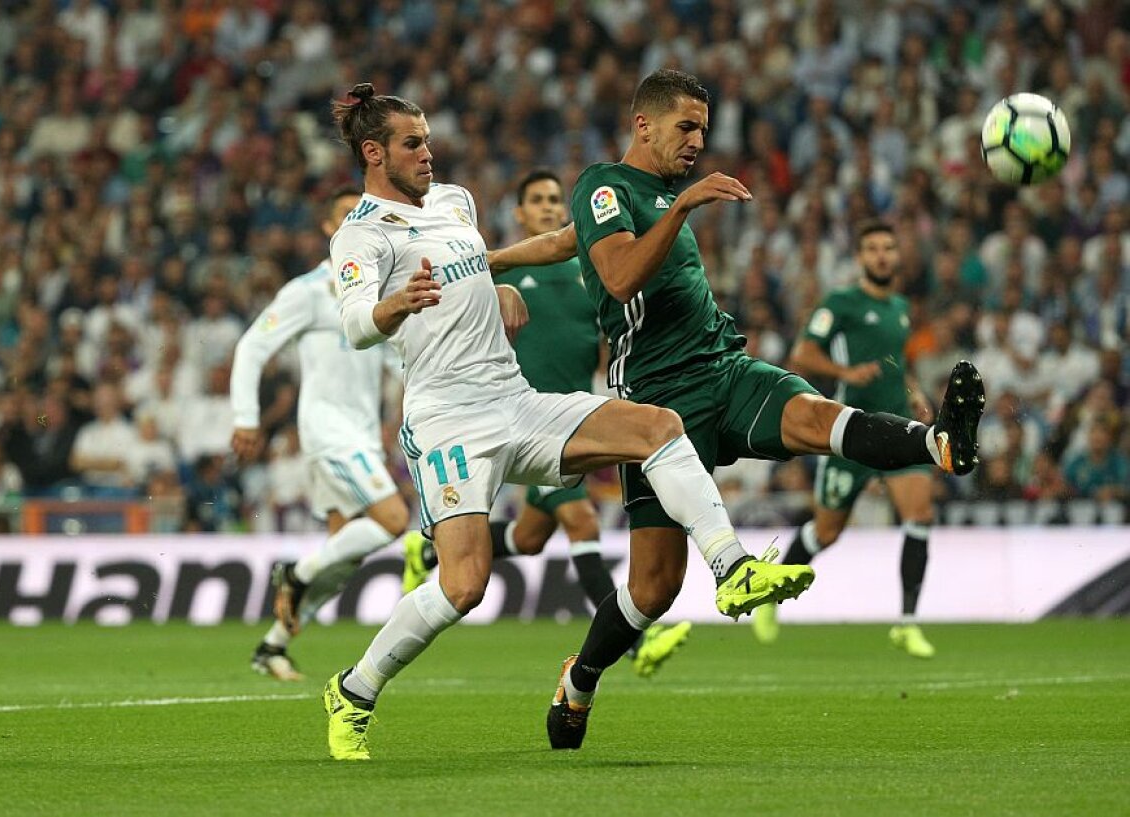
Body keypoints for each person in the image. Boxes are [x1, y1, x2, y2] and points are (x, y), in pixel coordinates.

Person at [489, 69, 984, 750]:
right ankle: (580, 679)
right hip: (655, 403)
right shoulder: (605, 185)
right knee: (654, 587)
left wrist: (491, 259)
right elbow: (619, 274)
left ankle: (939, 443)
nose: (698, 140)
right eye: (686, 127)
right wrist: (683, 208)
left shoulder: (657, 196)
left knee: (813, 416)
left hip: (721, 367)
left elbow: (561, 242)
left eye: (704, 129)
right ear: (644, 125)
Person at [320, 83, 815, 761]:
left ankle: (732, 568)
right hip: (447, 421)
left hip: (514, 398)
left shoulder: (455, 202)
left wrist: (497, 285)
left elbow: (511, 258)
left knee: (657, 427)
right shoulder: (361, 233)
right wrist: (396, 305)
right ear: (374, 154)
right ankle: (354, 689)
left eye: (428, 139)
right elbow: (355, 325)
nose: (428, 152)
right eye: (412, 144)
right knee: (464, 585)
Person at [402, 169, 692, 678]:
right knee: (582, 523)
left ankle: (425, 555)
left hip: (571, 420)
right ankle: (634, 645)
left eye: (556, 199)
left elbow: (605, 343)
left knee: (531, 538)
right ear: (519, 214)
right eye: (536, 199)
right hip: (520, 423)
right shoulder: (497, 275)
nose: (549, 207)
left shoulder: (590, 272)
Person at [230, 185, 408, 682]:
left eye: (363, 214)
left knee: (343, 559)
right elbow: (252, 347)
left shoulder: (376, 291)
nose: (356, 221)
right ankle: (295, 572)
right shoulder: (308, 291)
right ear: (329, 228)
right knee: (393, 519)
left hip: (363, 435)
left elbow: (396, 363)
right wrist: (246, 417)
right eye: (346, 215)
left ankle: (272, 646)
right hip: (329, 431)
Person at [751, 219, 941, 658]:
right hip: (850, 431)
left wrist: (914, 392)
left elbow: (893, 363)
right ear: (859, 257)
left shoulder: (900, 307)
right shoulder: (841, 303)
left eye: (888, 248)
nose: (881, 256)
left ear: (897, 256)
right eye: (872, 248)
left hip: (897, 429)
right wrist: (845, 373)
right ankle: (771, 594)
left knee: (921, 513)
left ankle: (907, 624)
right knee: (826, 531)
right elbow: (803, 353)